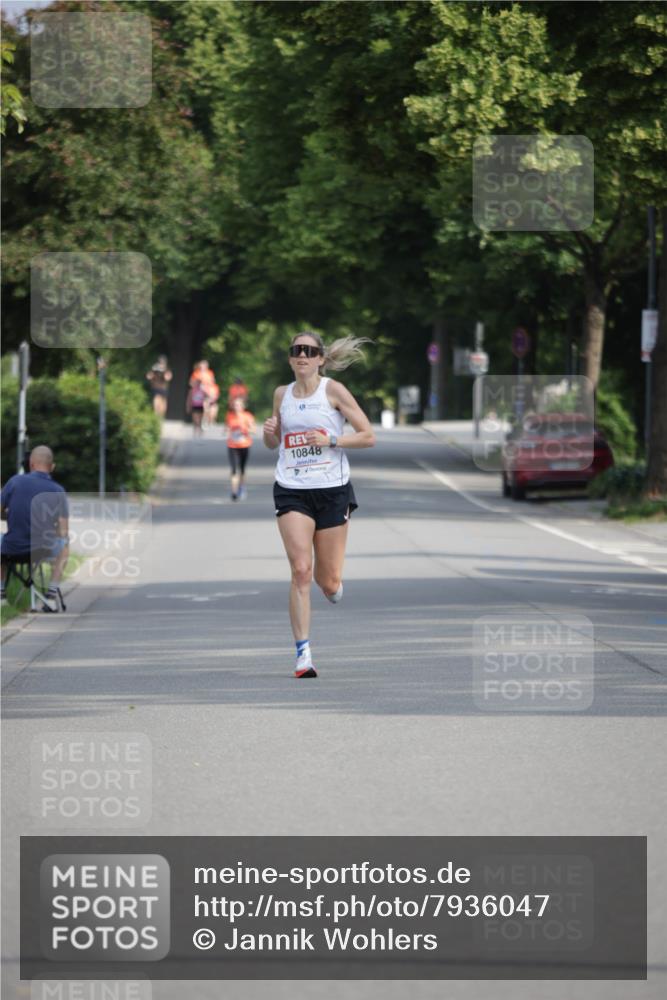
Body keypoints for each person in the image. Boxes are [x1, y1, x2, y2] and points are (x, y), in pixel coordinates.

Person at [263, 331, 375, 679]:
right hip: (292, 488)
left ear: (320, 359)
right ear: (290, 358)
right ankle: (303, 654)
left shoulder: (333, 391)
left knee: (328, 582)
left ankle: (332, 586)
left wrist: (331, 439)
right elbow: (273, 443)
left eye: (309, 351)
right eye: (296, 350)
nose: (302, 356)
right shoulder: (281, 395)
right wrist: (268, 432)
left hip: (332, 490)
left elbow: (368, 435)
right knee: (300, 570)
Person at [1, 446, 69, 611]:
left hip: (13, 548)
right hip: (43, 550)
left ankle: (1, 595)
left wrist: (10, 516)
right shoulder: (58, 490)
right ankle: (51, 596)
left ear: (31, 464)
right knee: (65, 546)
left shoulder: (14, 482)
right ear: (52, 467)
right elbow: (63, 531)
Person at [225, 397, 256, 500]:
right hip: (232, 445)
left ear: (243, 406)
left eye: (238, 405)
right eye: (235, 405)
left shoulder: (248, 416)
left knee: (242, 469)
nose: (236, 407)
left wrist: (246, 430)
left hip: (244, 445)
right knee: (234, 469)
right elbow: (226, 429)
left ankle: (241, 487)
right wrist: (228, 431)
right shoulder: (230, 416)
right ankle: (234, 492)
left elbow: (254, 430)